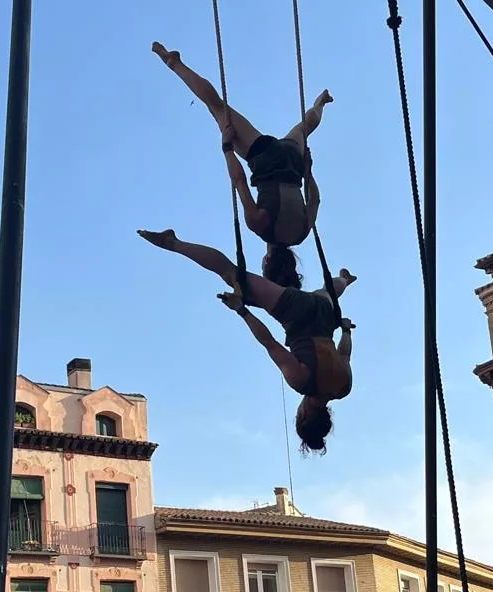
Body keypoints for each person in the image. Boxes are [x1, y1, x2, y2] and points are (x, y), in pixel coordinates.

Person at [137, 226, 355, 453]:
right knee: (232, 273)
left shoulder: (343, 387)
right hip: (296, 313)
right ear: (305, 414)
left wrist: (346, 330)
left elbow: (345, 353)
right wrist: (242, 311)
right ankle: (173, 243)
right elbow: (269, 343)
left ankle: (344, 280)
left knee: (328, 292)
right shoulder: (302, 382)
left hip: (326, 315)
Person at [150, 42, 331, 252]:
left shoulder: (301, 236)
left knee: (303, 128)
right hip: (265, 158)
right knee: (217, 107)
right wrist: (227, 147)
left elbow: (315, 200)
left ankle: (321, 103)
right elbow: (239, 180)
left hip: (293, 163)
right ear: (269, 259)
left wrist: (308, 171)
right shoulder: (260, 226)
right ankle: (175, 64)